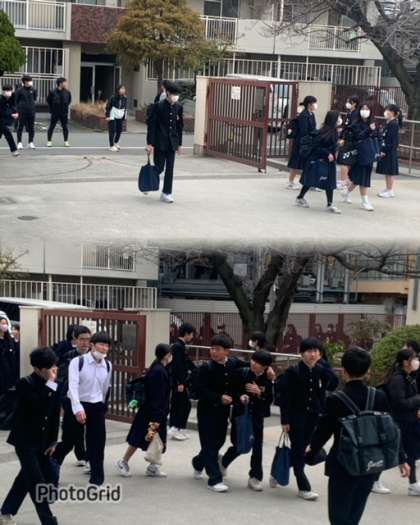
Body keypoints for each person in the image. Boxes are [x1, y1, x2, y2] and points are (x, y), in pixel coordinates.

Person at [306, 347, 410, 525]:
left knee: (338, 516)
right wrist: (402, 458)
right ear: (368, 371)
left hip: (343, 464)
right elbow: (392, 429)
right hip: (370, 464)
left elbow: (323, 432)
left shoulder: (335, 399)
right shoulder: (379, 396)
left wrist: (311, 452)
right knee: (354, 515)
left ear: (344, 371)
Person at [0, 347, 60, 525]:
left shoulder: (54, 384)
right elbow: (38, 407)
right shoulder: (24, 384)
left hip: (43, 441)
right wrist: (50, 385)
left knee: (24, 479)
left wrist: (53, 441)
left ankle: (5, 512)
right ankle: (49, 521)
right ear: (37, 369)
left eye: (54, 366)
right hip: (25, 442)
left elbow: (54, 414)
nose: (53, 370)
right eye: (49, 368)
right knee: (36, 482)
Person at [276, 337, 339, 500]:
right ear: (302, 353)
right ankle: (303, 486)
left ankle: (278, 471)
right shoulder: (293, 372)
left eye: (316, 351)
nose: (313, 354)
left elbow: (333, 384)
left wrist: (326, 368)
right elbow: (285, 398)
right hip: (296, 417)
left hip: (314, 416)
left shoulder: (321, 370)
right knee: (299, 449)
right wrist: (285, 420)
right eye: (310, 351)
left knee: (304, 449)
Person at [192, 335, 245, 492]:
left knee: (218, 442)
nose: (213, 352)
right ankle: (214, 479)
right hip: (206, 411)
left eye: (218, 349)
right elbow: (200, 390)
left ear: (227, 351)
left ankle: (197, 463)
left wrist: (267, 368)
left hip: (223, 412)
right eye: (212, 349)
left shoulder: (233, 363)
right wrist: (218, 397)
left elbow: (251, 364)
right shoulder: (206, 368)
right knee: (209, 445)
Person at [220, 350, 273, 491]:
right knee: (239, 445)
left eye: (258, 363)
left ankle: (255, 477)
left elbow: (270, 399)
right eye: (253, 360)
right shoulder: (242, 373)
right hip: (241, 416)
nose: (253, 364)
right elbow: (232, 390)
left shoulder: (267, 379)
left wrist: (260, 393)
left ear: (265, 366)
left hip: (257, 417)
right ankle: (223, 462)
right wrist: (240, 397)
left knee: (257, 447)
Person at [116, 344, 172, 478]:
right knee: (142, 437)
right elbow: (157, 395)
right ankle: (123, 462)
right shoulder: (159, 371)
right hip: (153, 413)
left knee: (155, 439)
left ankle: (153, 467)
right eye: (170, 354)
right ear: (166, 356)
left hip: (154, 412)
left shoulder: (159, 368)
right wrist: (158, 415)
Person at [67, 332, 112, 486]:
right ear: (92, 345)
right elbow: (72, 386)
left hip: (97, 406)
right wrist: (78, 408)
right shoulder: (77, 362)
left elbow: (105, 388)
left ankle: (96, 481)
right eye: (102, 345)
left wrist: (103, 405)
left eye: (107, 346)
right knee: (68, 441)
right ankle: (50, 473)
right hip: (78, 404)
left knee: (97, 444)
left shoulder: (107, 365)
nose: (105, 348)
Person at [53, 326, 91, 470]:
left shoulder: (94, 358)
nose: (85, 343)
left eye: (88, 340)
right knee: (69, 438)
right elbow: (61, 379)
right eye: (82, 339)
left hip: (89, 402)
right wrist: (63, 398)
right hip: (71, 401)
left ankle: (86, 458)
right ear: (75, 340)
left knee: (91, 435)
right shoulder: (68, 356)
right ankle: (52, 463)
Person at [385, 348, 420, 496]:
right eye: (414, 358)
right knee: (391, 452)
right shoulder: (398, 379)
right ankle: (374, 480)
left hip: (409, 421)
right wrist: (418, 399)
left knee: (410, 452)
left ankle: (413, 484)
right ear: (406, 362)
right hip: (400, 422)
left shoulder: (408, 376)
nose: (417, 361)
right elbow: (400, 403)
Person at [295, 110, 342, 214]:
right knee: (310, 180)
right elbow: (316, 147)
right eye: (338, 117)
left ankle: (329, 204)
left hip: (329, 162)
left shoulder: (334, 131)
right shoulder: (322, 131)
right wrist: (327, 153)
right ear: (333, 119)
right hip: (318, 160)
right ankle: (300, 197)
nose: (340, 120)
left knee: (329, 183)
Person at [146, 81, 184, 203]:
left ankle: (166, 193)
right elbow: (152, 126)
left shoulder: (179, 107)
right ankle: (148, 182)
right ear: (167, 93)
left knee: (170, 168)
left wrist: (179, 144)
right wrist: (150, 144)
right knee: (159, 167)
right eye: (173, 94)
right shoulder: (158, 106)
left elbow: (179, 126)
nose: (175, 97)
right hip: (160, 142)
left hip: (172, 143)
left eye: (177, 94)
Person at [341, 103, 378, 212]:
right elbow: (359, 136)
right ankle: (364, 201)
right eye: (363, 109)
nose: (365, 111)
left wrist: (378, 149)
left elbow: (377, 136)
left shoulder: (373, 123)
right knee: (362, 177)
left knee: (360, 177)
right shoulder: (355, 124)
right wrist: (369, 130)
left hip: (369, 153)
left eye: (367, 109)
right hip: (359, 153)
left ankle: (347, 192)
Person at [168, 323, 196, 441]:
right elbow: (178, 365)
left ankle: (178, 428)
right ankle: (175, 428)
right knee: (183, 405)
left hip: (179, 381)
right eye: (191, 334)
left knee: (180, 404)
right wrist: (180, 382)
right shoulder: (178, 347)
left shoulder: (180, 346)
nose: (192, 336)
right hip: (179, 382)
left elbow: (187, 362)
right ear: (186, 334)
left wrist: (195, 369)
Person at [287, 95, 317, 190]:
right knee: (296, 163)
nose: (316, 105)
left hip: (308, 142)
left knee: (308, 163)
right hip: (301, 143)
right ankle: (290, 182)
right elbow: (304, 130)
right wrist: (314, 134)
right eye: (314, 103)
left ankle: (309, 183)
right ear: (309, 104)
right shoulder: (303, 115)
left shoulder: (311, 114)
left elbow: (313, 128)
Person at [376, 104, 402, 199]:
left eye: (388, 111)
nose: (386, 112)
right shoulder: (389, 123)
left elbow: (391, 140)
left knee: (390, 171)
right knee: (387, 171)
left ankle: (390, 190)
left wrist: (385, 150)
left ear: (393, 113)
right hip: (387, 149)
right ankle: (388, 188)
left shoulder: (394, 124)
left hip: (390, 150)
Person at [337, 96, 360, 189]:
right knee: (346, 161)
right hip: (346, 139)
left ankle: (343, 181)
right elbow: (345, 126)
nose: (347, 104)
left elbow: (350, 127)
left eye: (349, 102)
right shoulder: (349, 113)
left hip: (350, 141)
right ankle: (345, 180)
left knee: (344, 161)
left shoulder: (356, 114)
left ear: (354, 103)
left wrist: (343, 137)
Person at [46, 77, 72, 148]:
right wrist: (52, 109)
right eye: (64, 82)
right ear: (60, 83)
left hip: (64, 112)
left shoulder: (67, 92)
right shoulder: (52, 92)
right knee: (52, 126)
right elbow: (48, 101)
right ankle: (49, 141)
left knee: (65, 127)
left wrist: (65, 107)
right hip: (55, 112)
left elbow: (69, 101)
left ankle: (66, 141)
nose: (65, 83)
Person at [15, 75, 37, 150]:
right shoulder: (19, 90)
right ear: (25, 82)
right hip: (22, 111)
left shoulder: (33, 89)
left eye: (31, 80)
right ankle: (19, 143)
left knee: (31, 127)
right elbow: (16, 101)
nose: (31, 82)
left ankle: (30, 142)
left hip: (31, 111)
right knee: (20, 127)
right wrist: (17, 110)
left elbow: (34, 98)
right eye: (29, 81)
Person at [105, 85, 128, 152]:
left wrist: (124, 116)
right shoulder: (113, 97)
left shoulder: (125, 98)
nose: (123, 90)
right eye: (121, 88)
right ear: (118, 90)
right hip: (113, 115)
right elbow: (108, 106)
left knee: (119, 130)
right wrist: (107, 115)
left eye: (124, 89)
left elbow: (125, 107)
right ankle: (111, 146)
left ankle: (116, 142)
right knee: (112, 130)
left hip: (120, 115)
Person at [0, 315, 19, 395]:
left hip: (9, 368)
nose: (4, 325)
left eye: (6, 323)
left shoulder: (9, 339)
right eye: (2, 323)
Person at [0, 85, 19, 157]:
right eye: (6, 91)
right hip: (1, 119)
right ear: (3, 92)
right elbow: (2, 111)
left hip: (4, 120)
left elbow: (13, 107)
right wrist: (11, 114)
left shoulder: (12, 98)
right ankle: (14, 150)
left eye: (9, 91)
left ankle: (14, 150)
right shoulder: (1, 100)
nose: (8, 92)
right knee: (8, 133)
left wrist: (16, 113)